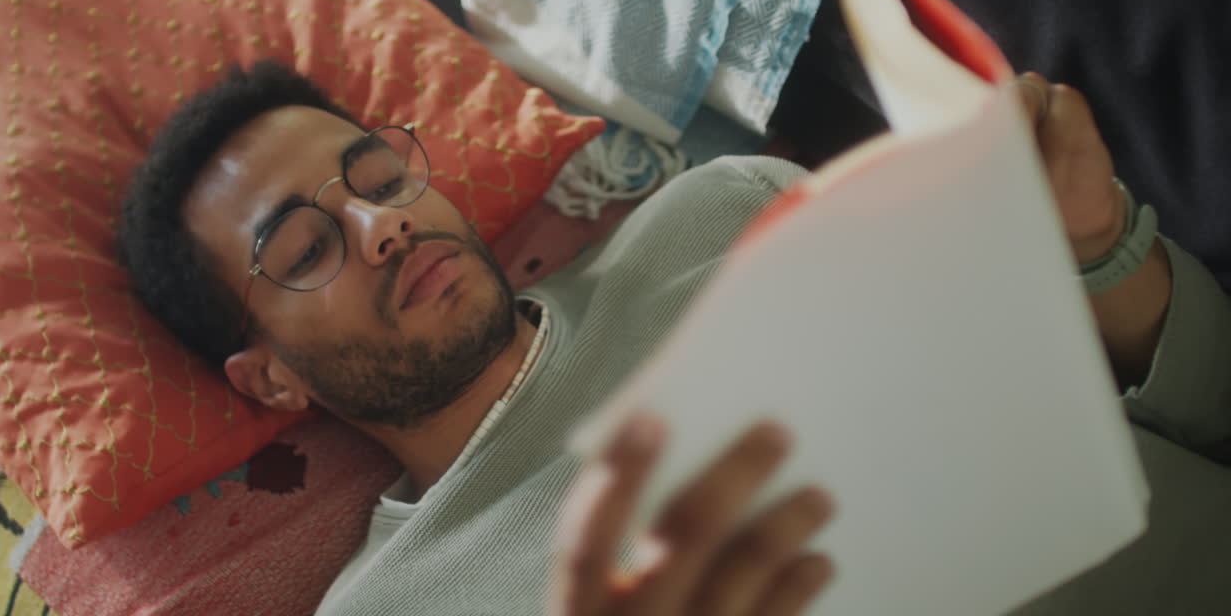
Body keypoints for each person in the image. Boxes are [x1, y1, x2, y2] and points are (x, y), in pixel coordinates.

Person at [117, 60, 1229, 615]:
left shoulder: (723, 211)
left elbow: (1198, 411)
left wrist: (1100, 251)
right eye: (305, 247)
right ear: (266, 377)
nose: (381, 222)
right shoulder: (393, 605)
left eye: (374, 174)